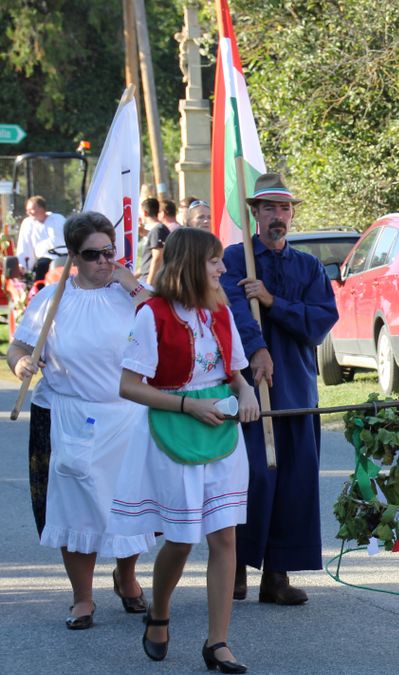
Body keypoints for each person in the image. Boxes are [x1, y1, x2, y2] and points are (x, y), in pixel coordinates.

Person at [108, 227, 259, 671]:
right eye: (215, 261)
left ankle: (218, 642)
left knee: (226, 535)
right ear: (193, 263)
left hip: (220, 431)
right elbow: (128, 386)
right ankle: (159, 612)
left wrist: (246, 392)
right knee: (180, 538)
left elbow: (234, 371)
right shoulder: (152, 314)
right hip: (174, 426)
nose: (223, 268)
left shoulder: (220, 310)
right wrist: (188, 405)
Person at [6, 211, 153, 629]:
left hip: (126, 413)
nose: (104, 262)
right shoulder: (53, 298)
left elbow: (168, 317)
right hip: (70, 414)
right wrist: (21, 366)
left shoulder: (132, 294)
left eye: (110, 252)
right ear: (73, 256)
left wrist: (130, 282)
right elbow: (17, 347)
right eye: (93, 255)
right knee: (75, 511)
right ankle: (82, 598)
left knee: (126, 508)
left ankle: (126, 579)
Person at [221, 173, 339, 604]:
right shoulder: (235, 260)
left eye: (284, 209)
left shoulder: (307, 267)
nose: (278, 217)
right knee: (250, 476)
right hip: (247, 389)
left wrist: (272, 302)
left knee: (294, 479)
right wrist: (257, 349)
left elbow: (321, 321)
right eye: (269, 208)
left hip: (296, 388)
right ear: (254, 214)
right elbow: (230, 309)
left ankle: (277, 575)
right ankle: (234, 567)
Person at [15, 195, 67, 282]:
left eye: (31, 209)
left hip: (65, 257)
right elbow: (24, 245)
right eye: (27, 210)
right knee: (41, 267)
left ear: (41, 208)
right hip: (45, 259)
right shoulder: (28, 224)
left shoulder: (58, 219)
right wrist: (23, 265)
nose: (28, 212)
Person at [136, 197, 166, 281]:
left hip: (151, 281)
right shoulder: (157, 230)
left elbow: (157, 257)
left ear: (145, 213)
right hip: (145, 278)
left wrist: (149, 282)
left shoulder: (157, 230)